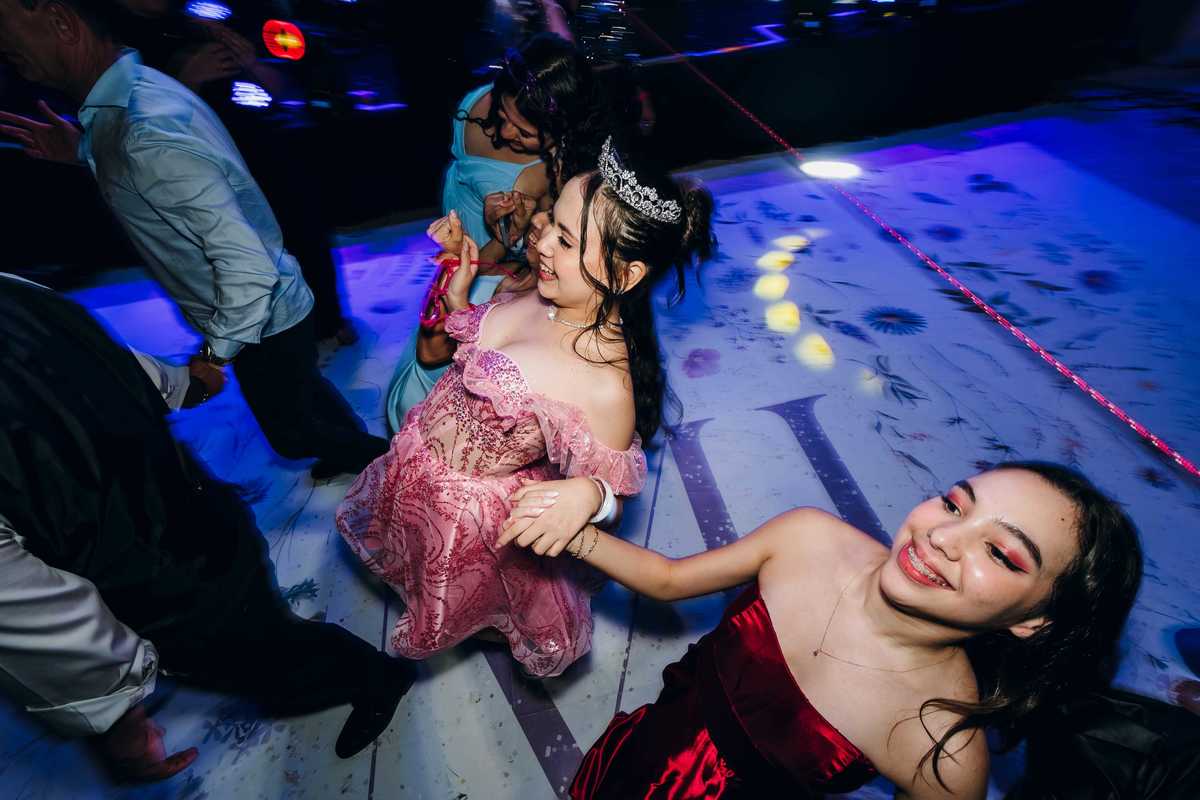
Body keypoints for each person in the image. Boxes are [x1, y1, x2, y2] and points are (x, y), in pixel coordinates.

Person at [504, 462, 1144, 798]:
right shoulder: (809, 537)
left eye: (1001, 553)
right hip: (648, 751)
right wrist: (573, 529)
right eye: (955, 503)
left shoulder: (942, 752)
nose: (944, 537)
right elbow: (670, 580)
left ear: (1034, 620)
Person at [338, 137, 715, 677]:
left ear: (625, 275)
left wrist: (591, 493)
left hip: (472, 520)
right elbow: (483, 345)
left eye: (566, 239)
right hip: (418, 464)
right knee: (407, 555)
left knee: (473, 598)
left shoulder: (604, 386)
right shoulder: (540, 289)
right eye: (551, 222)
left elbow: (613, 501)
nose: (542, 243)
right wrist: (460, 295)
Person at [0, 273, 416, 762]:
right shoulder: (16, 289)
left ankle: (377, 679)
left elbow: (21, 599)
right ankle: (337, 660)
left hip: (145, 572)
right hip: (195, 502)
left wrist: (110, 707)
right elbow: (111, 358)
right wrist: (183, 384)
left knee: (260, 655)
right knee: (258, 618)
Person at [0, 0, 386, 479]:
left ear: (61, 22)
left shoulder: (143, 128)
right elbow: (144, 164)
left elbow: (248, 270)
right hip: (259, 311)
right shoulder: (134, 93)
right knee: (305, 400)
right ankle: (351, 448)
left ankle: (380, 464)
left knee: (292, 429)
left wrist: (212, 357)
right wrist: (83, 148)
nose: (3, 45)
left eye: (4, 22)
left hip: (257, 319)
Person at [384, 32, 614, 430]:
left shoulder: (562, 180)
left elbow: (546, 264)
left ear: (562, 130)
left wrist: (502, 241)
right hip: (477, 256)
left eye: (523, 133)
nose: (506, 134)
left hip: (494, 270)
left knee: (456, 385)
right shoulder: (482, 103)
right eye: (503, 117)